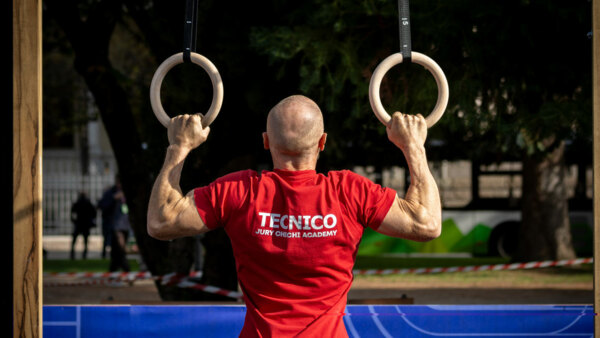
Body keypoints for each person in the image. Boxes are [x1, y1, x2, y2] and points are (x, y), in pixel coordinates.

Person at [147, 95, 442, 337]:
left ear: (265, 141)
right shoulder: (349, 192)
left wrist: (179, 146)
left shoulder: (238, 191)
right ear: (322, 142)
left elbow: (161, 222)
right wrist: (413, 146)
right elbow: (426, 223)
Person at [99, 175, 131, 271]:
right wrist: (114, 198)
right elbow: (101, 205)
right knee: (121, 250)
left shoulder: (128, 192)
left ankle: (113, 273)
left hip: (126, 226)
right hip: (115, 226)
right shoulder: (111, 192)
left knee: (116, 253)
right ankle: (127, 271)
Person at [70, 191, 97, 260]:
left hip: (79, 223)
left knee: (74, 239)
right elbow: (94, 213)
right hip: (86, 224)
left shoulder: (77, 203)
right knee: (85, 240)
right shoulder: (88, 203)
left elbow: (72, 212)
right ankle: (84, 254)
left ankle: (72, 253)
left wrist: (74, 221)